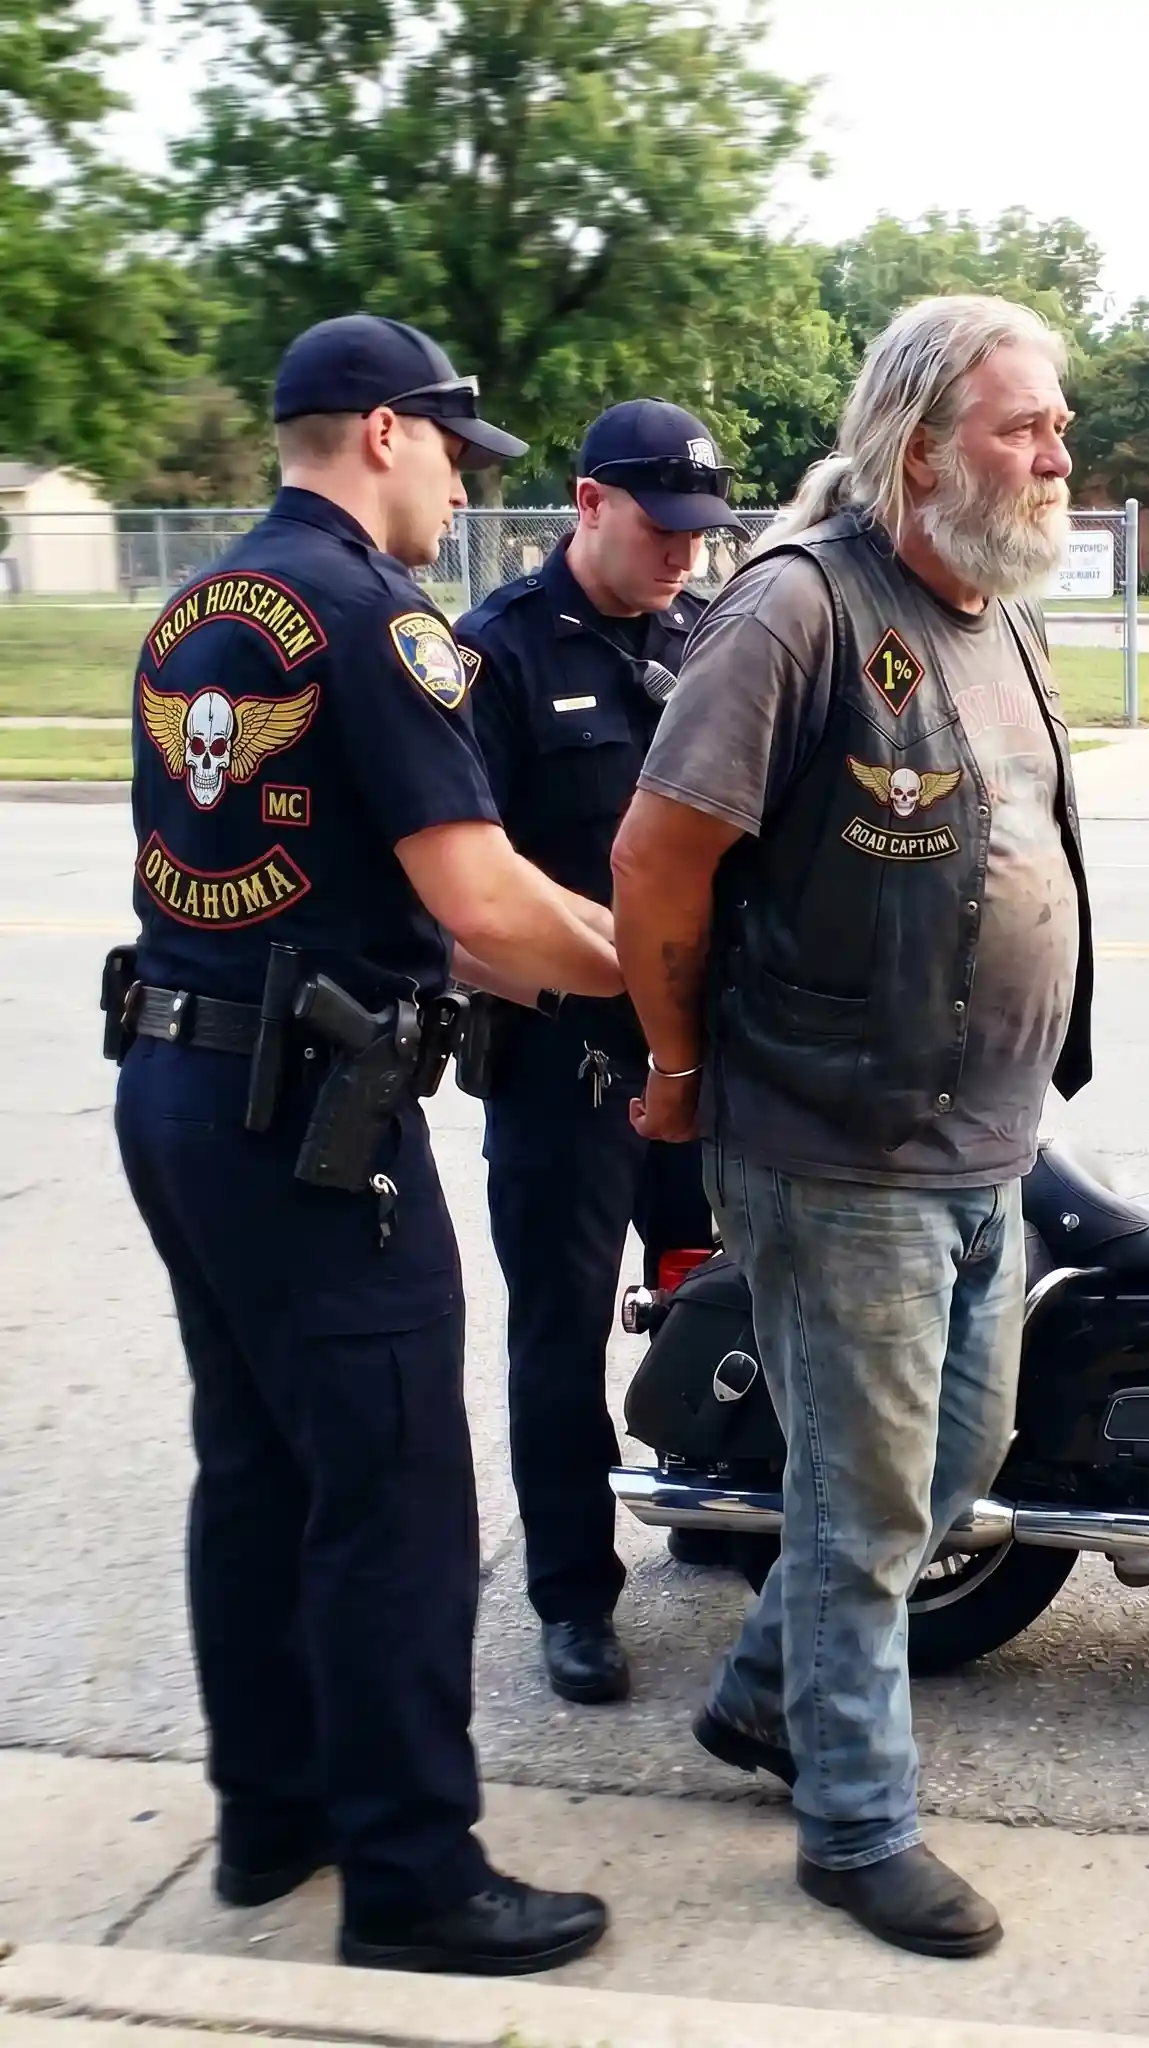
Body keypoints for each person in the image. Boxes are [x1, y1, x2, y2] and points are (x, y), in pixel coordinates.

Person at [109, 314, 620, 1974]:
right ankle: (413, 1875)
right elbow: (475, 899)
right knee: (394, 1487)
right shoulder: (374, 618)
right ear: (387, 432)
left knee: (256, 1462)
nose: (456, 498)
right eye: (452, 460)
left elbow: (337, 879)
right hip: (318, 1121)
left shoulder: (195, 610)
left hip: (181, 1089)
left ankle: (272, 1817)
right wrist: (659, 968)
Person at [610, 295, 1093, 1960]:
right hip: (832, 1146)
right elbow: (656, 861)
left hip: (978, 1143)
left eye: (1056, 426)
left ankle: (763, 1696)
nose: (1056, 454)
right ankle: (853, 1821)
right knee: (860, 1499)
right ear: (916, 443)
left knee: (950, 1459)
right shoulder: (796, 613)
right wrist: (676, 1065)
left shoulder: (995, 618)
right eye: (1024, 425)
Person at [457, 401, 738, 1708]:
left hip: (702, 1064)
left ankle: (703, 1500)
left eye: (700, 531)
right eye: (659, 525)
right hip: (564, 1073)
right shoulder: (498, 655)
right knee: (559, 1340)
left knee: (706, 1296)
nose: (683, 553)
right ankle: (573, 1591)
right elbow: (460, 893)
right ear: (585, 503)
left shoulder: (713, 640)